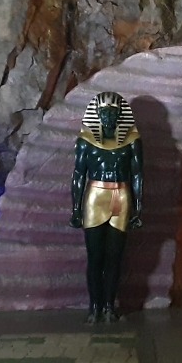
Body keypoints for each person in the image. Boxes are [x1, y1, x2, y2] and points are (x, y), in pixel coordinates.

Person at [71, 91, 143, 324]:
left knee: (115, 257)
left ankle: (109, 306)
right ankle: (94, 307)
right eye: (104, 113)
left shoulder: (132, 140)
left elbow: (137, 175)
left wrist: (138, 207)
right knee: (95, 257)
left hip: (122, 196)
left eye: (112, 113)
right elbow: (78, 175)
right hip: (95, 196)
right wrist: (75, 209)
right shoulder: (85, 140)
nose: (108, 117)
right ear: (97, 114)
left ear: (120, 114)